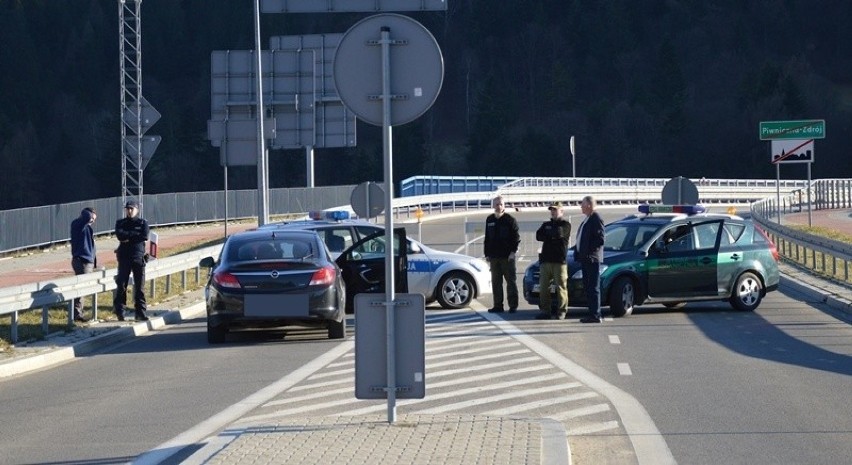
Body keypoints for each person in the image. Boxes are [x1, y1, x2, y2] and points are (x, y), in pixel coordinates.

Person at [114, 200, 150, 321]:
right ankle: (120, 311)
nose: (129, 211)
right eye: (127, 209)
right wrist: (134, 234)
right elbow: (120, 235)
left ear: (137, 210)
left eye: (132, 209)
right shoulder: (121, 222)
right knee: (121, 284)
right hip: (124, 257)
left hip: (138, 257)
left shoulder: (142, 222)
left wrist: (128, 237)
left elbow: (144, 236)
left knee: (140, 287)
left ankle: (140, 312)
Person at [483, 195, 520, 313]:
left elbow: (516, 238)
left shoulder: (510, 220)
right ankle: (498, 305)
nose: (499, 206)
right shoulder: (490, 220)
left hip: (507, 257)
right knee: (496, 282)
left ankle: (513, 305)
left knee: (511, 282)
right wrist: (487, 253)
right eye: (497, 204)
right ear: (493, 205)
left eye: (501, 204)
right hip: (494, 257)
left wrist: (513, 252)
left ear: (504, 206)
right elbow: (487, 237)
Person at [535, 201, 571, 320]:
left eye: (555, 210)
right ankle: (545, 310)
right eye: (552, 210)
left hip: (559, 261)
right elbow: (538, 235)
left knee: (561, 287)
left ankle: (562, 310)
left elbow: (559, 233)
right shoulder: (546, 224)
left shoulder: (566, 225)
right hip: (546, 260)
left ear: (561, 211)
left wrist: (550, 235)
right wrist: (551, 236)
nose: (553, 212)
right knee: (544, 286)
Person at [575, 195, 606, 323]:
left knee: (593, 287)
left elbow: (600, 239)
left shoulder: (595, 218)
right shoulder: (588, 219)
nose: (581, 207)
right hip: (585, 259)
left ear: (589, 205)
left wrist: (589, 252)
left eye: (582, 204)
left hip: (592, 259)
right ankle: (592, 313)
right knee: (588, 287)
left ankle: (595, 314)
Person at [69, 207, 97, 323]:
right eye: (92, 218)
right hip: (82, 260)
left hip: (87, 261)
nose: (93, 221)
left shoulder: (87, 228)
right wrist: (90, 215)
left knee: (83, 288)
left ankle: (78, 312)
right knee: (81, 288)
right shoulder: (78, 224)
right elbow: (86, 216)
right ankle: (77, 314)